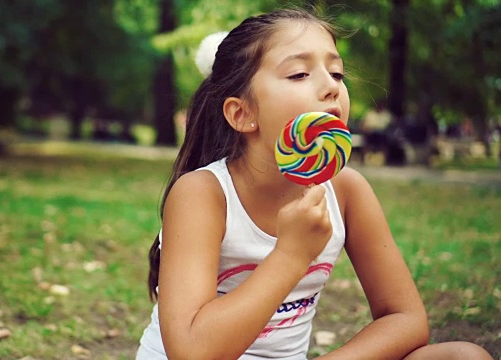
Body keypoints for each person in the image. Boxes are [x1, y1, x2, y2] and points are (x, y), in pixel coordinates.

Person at [136, 7, 493, 360]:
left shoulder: (347, 191)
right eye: (299, 74)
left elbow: (406, 318)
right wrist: (292, 254)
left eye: (336, 73)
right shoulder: (204, 194)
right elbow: (192, 351)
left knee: (464, 356)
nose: (330, 87)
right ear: (242, 113)